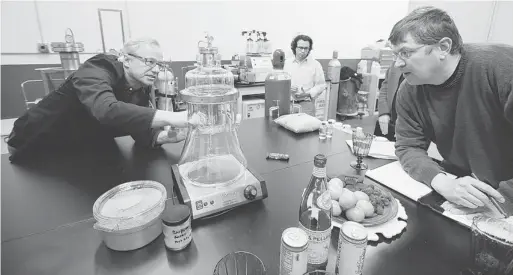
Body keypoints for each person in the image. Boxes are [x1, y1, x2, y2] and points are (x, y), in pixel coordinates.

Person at [390, 6, 512, 209]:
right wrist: (443, 182)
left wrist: (503, 201)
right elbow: (408, 146)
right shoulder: (410, 89)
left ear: (443, 47)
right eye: (395, 54)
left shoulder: (502, 69)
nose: (397, 64)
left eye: (406, 52)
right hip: (465, 186)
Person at [6, 38, 199, 163]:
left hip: (84, 149)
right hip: (36, 145)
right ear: (126, 59)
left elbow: (138, 130)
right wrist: (173, 117)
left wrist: (166, 137)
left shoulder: (140, 86)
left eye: (160, 64)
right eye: (149, 62)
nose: (156, 70)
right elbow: (106, 110)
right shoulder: (96, 70)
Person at [284, 34, 326, 116]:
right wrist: (287, 87)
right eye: (300, 48)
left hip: (306, 105)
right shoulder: (286, 64)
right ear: (294, 48)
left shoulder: (315, 65)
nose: (303, 51)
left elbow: (321, 85)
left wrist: (307, 93)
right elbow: (280, 83)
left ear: (309, 49)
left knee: (307, 128)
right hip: (287, 104)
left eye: (306, 48)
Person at [374, 63, 404, 141]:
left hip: (409, 128)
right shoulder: (395, 64)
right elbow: (385, 88)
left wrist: (407, 127)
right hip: (388, 120)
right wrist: (383, 113)